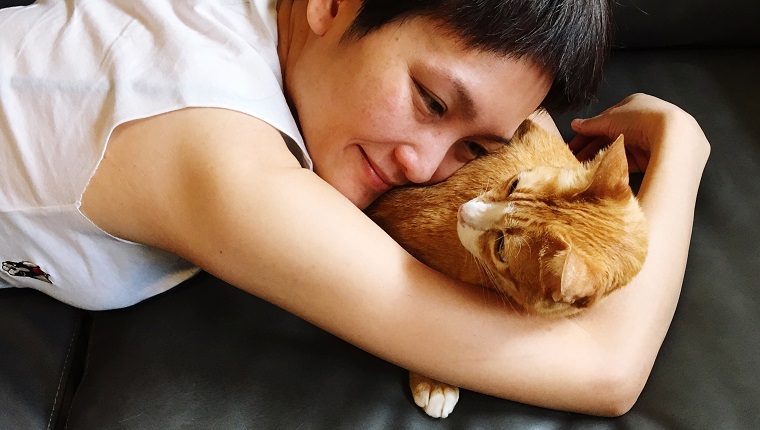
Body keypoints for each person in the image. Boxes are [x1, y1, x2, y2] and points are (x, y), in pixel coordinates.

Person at [0, 0, 710, 417]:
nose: (424, 167)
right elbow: (603, 367)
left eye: (474, 146)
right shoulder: (207, 145)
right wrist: (684, 147)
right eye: (431, 102)